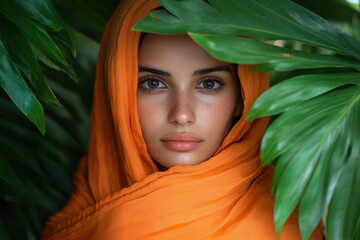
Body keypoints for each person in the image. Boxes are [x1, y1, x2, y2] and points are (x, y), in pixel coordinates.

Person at [42, 0, 322, 239]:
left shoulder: (289, 223)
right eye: (153, 83)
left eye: (209, 84)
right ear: (120, 94)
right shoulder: (84, 209)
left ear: (242, 97)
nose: (182, 115)